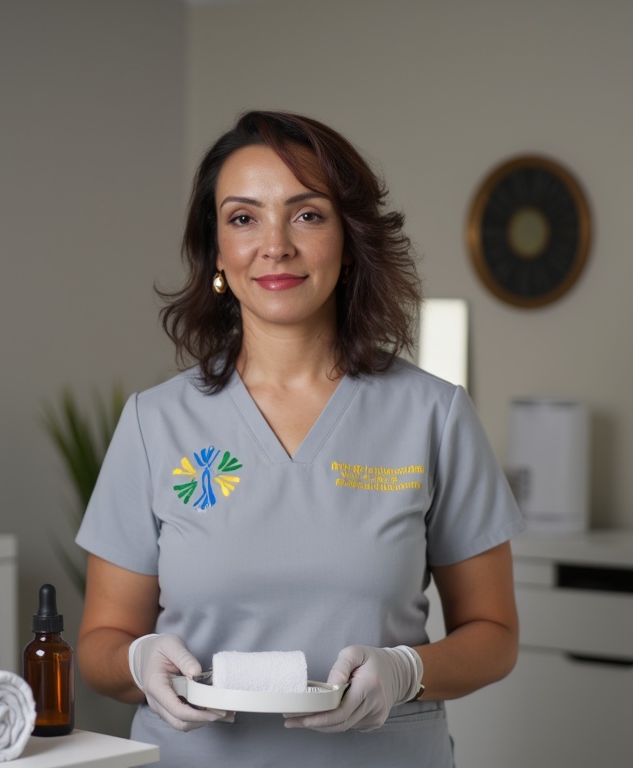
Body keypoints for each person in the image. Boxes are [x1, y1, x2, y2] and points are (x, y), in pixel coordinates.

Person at [75, 110, 525, 767]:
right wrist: (137, 661)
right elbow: (101, 646)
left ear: (350, 239)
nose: (275, 245)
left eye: (307, 214)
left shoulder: (434, 416)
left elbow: (495, 636)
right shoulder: (155, 423)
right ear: (217, 250)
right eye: (243, 217)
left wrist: (405, 671)